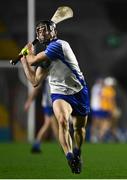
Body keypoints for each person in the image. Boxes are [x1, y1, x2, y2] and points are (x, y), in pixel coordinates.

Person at [20, 20, 90, 174]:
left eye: (44, 30)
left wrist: (28, 51)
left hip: (79, 91)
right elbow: (34, 81)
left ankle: (77, 152)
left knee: (79, 129)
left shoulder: (59, 45)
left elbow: (33, 59)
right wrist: (23, 61)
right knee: (63, 121)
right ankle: (70, 157)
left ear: (53, 32)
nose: (41, 33)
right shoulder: (45, 57)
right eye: (38, 31)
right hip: (59, 93)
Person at [24, 78, 58, 153]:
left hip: (52, 103)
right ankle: (64, 146)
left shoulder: (53, 73)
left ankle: (36, 145)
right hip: (49, 104)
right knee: (53, 125)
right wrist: (29, 102)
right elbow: (36, 88)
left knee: (47, 125)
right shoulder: (46, 74)